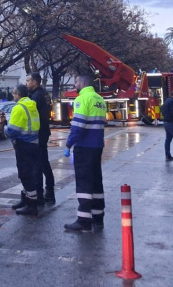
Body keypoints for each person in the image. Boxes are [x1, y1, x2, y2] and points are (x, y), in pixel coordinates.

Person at [63, 73, 107, 233]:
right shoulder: (100, 100)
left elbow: (78, 126)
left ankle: (83, 221)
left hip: (85, 146)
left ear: (82, 82)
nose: (75, 85)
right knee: (96, 181)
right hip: (97, 146)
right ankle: (98, 218)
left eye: (75, 82)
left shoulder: (82, 99)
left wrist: (69, 144)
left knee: (84, 182)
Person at [6, 84, 42, 216]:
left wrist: (5, 129)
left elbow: (12, 130)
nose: (13, 95)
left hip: (23, 144)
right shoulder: (32, 106)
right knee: (30, 173)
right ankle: (27, 200)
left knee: (25, 174)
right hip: (34, 143)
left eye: (14, 93)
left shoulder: (19, 108)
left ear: (18, 94)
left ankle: (31, 205)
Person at [26, 72, 55, 205]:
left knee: (39, 163)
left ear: (34, 82)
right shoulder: (43, 94)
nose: (26, 83)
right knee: (44, 162)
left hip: (39, 132)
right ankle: (49, 190)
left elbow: (32, 114)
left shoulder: (36, 96)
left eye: (28, 81)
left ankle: (42, 192)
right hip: (43, 130)